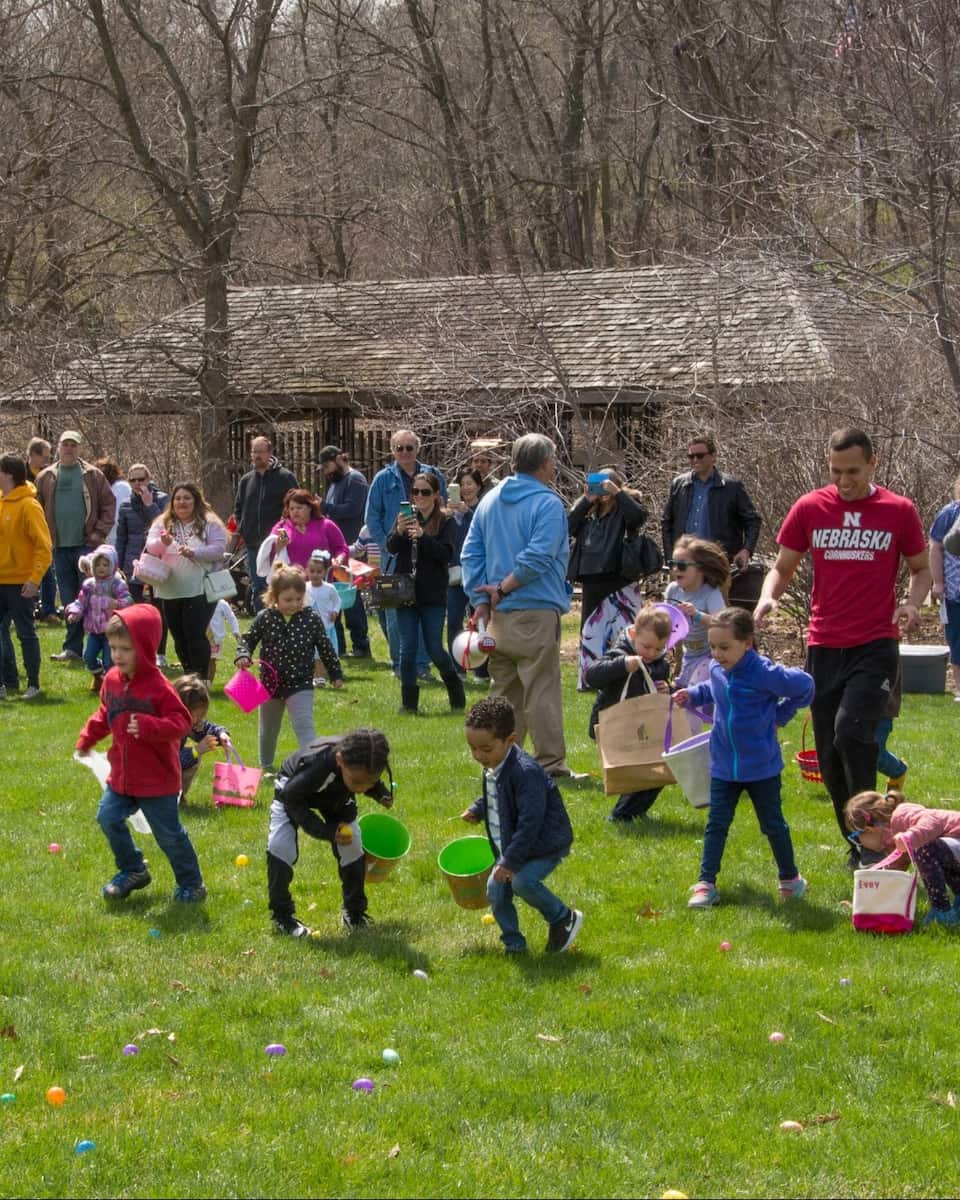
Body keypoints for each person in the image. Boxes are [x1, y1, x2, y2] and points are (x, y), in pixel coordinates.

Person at [754, 428, 930, 866]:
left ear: (872, 463)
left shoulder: (898, 510)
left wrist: (911, 603)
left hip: (875, 644)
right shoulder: (810, 507)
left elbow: (921, 568)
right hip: (824, 645)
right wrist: (768, 596)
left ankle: (874, 838)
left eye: (853, 471)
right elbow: (782, 567)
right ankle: (860, 843)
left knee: (852, 733)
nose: (844, 481)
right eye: (836, 471)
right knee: (829, 757)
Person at [675, 607, 814, 907]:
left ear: (747, 643)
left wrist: (780, 716)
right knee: (716, 825)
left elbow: (806, 686)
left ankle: (790, 880)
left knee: (773, 825)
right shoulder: (717, 668)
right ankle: (706, 883)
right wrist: (693, 695)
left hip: (762, 767)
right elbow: (712, 689)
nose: (717, 654)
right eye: (713, 647)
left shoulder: (764, 673)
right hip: (724, 765)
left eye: (724, 647)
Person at [461, 432, 579, 779]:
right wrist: (502, 588)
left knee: (505, 694)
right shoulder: (547, 504)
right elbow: (538, 557)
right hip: (534, 608)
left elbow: (471, 554)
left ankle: (499, 763)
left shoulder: (489, 500)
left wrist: (481, 600)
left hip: (498, 614)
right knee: (541, 689)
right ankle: (550, 765)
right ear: (545, 462)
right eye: (553, 460)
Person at [75, 605, 207, 902]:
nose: (117, 655)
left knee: (169, 835)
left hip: (157, 779)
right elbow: (105, 714)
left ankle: (192, 884)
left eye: (126, 649)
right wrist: (87, 738)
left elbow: (181, 722)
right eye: (113, 648)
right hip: (122, 776)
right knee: (107, 818)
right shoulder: (111, 680)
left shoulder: (159, 688)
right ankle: (133, 869)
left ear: (145, 648)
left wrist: (149, 726)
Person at [460, 696, 582, 955]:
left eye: (485, 749)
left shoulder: (526, 773)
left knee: (522, 882)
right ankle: (514, 945)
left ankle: (562, 917)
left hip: (542, 844)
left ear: (510, 740)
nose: (478, 755)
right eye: (472, 748)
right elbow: (498, 793)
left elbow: (530, 824)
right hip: (512, 845)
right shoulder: (494, 763)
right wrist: (479, 808)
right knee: (495, 891)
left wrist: (509, 862)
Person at [267, 728, 394, 936]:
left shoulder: (359, 764)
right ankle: (282, 917)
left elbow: (366, 778)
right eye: (357, 782)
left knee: (353, 846)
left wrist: (379, 792)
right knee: (280, 847)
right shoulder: (317, 766)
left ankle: (354, 913)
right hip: (292, 791)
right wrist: (326, 831)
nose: (362, 788)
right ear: (340, 760)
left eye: (368, 783)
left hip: (336, 794)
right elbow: (292, 799)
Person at [235, 563, 344, 773]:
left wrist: (335, 673)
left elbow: (325, 647)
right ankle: (266, 766)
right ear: (274, 597)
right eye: (288, 600)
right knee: (268, 729)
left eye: (298, 599)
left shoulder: (311, 618)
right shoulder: (265, 618)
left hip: (300, 683)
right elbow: (247, 640)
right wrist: (243, 655)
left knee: (304, 725)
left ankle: (313, 768)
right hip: (270, 685)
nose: (294, 604)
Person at [365, 429, 447, 676]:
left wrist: (433, 537)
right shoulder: (382, 479)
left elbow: (443, 508)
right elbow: (372, 517)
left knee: (423, 611)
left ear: (417, 449)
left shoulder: (433, 475)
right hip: (395, 555)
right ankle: (400, 665)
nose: (404, 453)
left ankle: (422, 666)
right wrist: (387, 544)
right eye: (399, 448)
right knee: (395, 611)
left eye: (409, 447)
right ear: (392, 450)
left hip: (427, 554)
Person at [584, 604, 672, 823]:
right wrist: (622, 665)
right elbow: (591, 676)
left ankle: (633, 811)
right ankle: (622, 814)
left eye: (658, 649)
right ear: (633, 635)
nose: (651, 653)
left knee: (657, 769)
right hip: (615, 725)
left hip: (643, 726)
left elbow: (660, 682)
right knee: (641, 771)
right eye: (646, 646)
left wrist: (667, 689)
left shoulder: (659, 663)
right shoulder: (620, 653)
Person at [386, 472, 464, 714]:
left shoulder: (446, 521)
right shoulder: (406, 516)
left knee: (434, 648)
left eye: (425, 492)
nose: (419, 496)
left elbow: (446, 554)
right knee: (407, 648)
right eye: (415, 492)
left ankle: (456, 692)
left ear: (436, 495)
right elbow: (391, 548)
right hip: (405, 591)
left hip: (432, 594)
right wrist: (399, 531)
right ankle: (408, 703)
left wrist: (423, 537)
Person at [35, 431, 116, 662]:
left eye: (73, 445)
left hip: (87, 547)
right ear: (58, 447)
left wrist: (98, 533)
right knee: (70, 599)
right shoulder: (46, 476)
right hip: (59, 547)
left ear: (79, 448)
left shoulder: (93, 475)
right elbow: (37, 509)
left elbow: (109, 505)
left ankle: (102, 647)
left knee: (95, 598)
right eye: (65, 444)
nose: (69, 448)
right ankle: (72, 648)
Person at [144, 482, 228, 677]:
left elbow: (218, 549)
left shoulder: (210, 522)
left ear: (196, 501)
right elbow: (151, 547)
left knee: (195, 634)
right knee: (179, 637)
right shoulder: (162, 522)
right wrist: (162, 542)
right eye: (178, 498)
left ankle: (201, 678)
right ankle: (189, 675)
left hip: (201, 588)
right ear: (172, 502)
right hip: (170, 589)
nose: (182, 502)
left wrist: (194, 552)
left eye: (187, 498)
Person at [845, 789, 960, 927]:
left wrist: (909, 837)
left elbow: (932, 820)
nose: (859, 842)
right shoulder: (892, 838)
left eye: (856, 837)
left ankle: (942, 911)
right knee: (930, 854)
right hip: (953, 849)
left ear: (868, 829)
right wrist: (869, 901)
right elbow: (894, 872)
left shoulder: (901, 813)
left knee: (925, 849)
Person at [660, 433, 761, 568]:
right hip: (684, 562)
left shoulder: (732, 486)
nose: (695, 459)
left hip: (718, 562)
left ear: (713, 456)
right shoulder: (679, 484)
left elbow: (753, 520)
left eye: (700, 455)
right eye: (691, 456)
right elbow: (667, 522)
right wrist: (670, 557)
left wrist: (746, 550)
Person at [568, 467, 649, 628]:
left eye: (608, 486)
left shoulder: (625, 506)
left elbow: (637, 517)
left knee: (621, 625)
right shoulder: (589, 510)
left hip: (618, 575)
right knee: (592, 627)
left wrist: (618, 493)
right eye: (600, 486)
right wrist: (586, 500)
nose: (604, 491)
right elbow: (570, 527)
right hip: (591, 576)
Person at [0, 453, 52, 700]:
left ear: (9, 474)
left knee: (25, 633)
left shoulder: (29, 506)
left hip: (21, 582)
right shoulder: (1, 502)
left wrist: (34, 578)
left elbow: (44, 546)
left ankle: (33, 684)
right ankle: (5, 682)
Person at [232, 435, 298, 613]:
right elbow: (238, 508)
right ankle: (263, 622)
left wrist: (286, 532)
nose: (257, 456)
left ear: (270, 453)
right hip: (254, 544)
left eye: (261, 452)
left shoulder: (285, 477)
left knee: (281, 584)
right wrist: (244, 528)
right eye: (254, 452)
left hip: (279, 544)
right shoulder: (246, 480)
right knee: (258, 585)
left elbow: (296, 506)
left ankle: (284, 619)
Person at [319, 445, 371, 657]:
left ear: (339, 459)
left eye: (327, 466)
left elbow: (353, 509)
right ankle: (338, 645)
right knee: (335, 596)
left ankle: (361, 645)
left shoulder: (355, 479)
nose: (326, 472)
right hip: (336, 550)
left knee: (352, 598)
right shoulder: (335, 484)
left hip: (352, 548)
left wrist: (325, 507)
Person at [115, 464, 169, 665]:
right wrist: (118, 565)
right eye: (133, 480)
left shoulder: (162, 499)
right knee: (134, 609)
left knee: (159, 610)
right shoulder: (125, 505)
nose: (138, 484)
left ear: (149, 479)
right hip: (133, 563)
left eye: (141, 479)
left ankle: (160, 653)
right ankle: (137, 650)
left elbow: (164, 527)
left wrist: (149, 504)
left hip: (157, 562)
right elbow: (122, 538)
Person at [64, 543, 133, 694]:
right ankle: (98, 676)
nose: (101, 568)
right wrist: (75, 612)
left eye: (105, 565)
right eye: (98, 564)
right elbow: (81, 602)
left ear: (113, 566)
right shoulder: (89, 585)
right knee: (88, 657)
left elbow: (128, 600)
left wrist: (117, 603)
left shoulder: (116, 584)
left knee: (110, 661)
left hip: (111, 632)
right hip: (94, 631)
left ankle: (112, 685)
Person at [664, 536, 730, 689]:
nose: (675, 569)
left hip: (711, 656)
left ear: (700, 568)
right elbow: (666, 622)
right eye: (672, 564)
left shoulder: (710, 593)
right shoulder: (673, 590)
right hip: (689, 656)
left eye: (681, 565)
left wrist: (697, 615)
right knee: (679, 692)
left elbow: (723, 624)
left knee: (695, 692)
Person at [172, 674, 232, 802]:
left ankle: (176, 796)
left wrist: (221, 734)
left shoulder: (189, 721)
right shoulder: (167, 726)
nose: (195, 720)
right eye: (193, 715)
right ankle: (170, 796)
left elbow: (206, 728)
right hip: (150, 773)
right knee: (194, 757)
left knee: (194, 757)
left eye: (199, 716)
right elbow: (168, 762)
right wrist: (196, 751)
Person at [446, 468, 484, 664]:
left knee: (479, 620)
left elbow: (483, 533)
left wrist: (467, 513)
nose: (466, 488)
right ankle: (457, 667)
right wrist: (447, 515)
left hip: (477, 574)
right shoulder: (451, 513)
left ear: (478, 486)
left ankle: (480, 668)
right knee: (454, 620)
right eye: (461, 484)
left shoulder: (484, 509)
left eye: (470, 483)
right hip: (455, 574)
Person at [929, 477, 960, 701]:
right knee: (957, 639)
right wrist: (938, 582)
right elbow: (935, 548)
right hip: (954, 593)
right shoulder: (949, 514)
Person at [266, 489, 348, 573]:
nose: (295, 511)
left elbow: (341, 548)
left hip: (320, 579)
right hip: (290, 579)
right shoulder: (281, 527)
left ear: (310, 507)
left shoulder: (326, 525)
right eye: (291, 509)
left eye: (299, 507)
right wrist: (278, 547)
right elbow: (267, 553)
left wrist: (339, 559)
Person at [26, 438, 58, 624]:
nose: (47, 460)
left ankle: (48, 610)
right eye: (44, 457)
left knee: (47, 571)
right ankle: (27, 609)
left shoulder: (49, 475)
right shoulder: (20, 474)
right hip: (25, 527)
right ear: (33, 455)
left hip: (44, 527)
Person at [304, 549, 341, 683]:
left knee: (326, 652)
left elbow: (337, 601)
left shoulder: (329, 588)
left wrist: (335, 611)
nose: (315, 574)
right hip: (310, 629)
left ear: (325, 572)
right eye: (312, 571)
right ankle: (316, 675)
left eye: (319, 572)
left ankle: (325, 673)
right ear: (307, 571)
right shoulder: (305, 587)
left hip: (326, 626)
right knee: (313, 653)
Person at [95, 458, 131, 546]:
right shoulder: (107, 489)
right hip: (110, 539)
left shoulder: (120, 487)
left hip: (120, 538)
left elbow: (116, 516)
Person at [207, 597, 241, 683]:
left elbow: (231, 617)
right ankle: (199, 683)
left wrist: (236, 630)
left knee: (211, 661)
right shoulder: (199, 601)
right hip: (200, 636)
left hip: (215, 638)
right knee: (200, 661)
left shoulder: (221, 603)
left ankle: (207, 684)